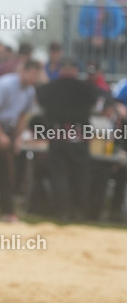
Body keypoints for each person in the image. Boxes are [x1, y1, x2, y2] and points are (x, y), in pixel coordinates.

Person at [0, 60, 43, 222]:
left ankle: (7, 212)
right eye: (33, 73)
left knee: (7, 173)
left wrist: (17, 138)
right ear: (24, 71)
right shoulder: (4, 84)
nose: (35, 78)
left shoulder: (30, 91)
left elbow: (22, 116)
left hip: (8, 129)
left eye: (37, 75)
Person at [35, 59, 99, 223]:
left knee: (59, 175)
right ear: (76, 71)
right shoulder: (85, 88)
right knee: (81, 176)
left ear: (61, 69)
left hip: (57, 135)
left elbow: (40, 99)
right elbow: (94, 102)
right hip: (79, 136)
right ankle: (79, 211)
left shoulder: (51, 88)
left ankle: (62, 211)